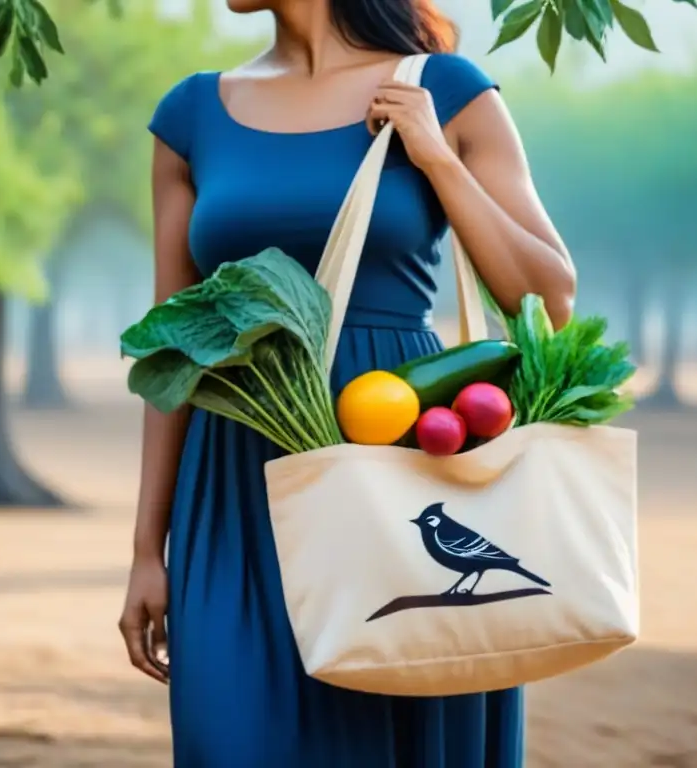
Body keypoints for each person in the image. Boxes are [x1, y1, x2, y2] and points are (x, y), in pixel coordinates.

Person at [117, 0, 576, 763]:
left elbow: (549, 297)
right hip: (236, 482)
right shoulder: (191, 114)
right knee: (231, 736)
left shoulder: (448, 89)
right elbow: (170, 350)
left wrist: (437, 156)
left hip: (407, 464)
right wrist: (145, 550)